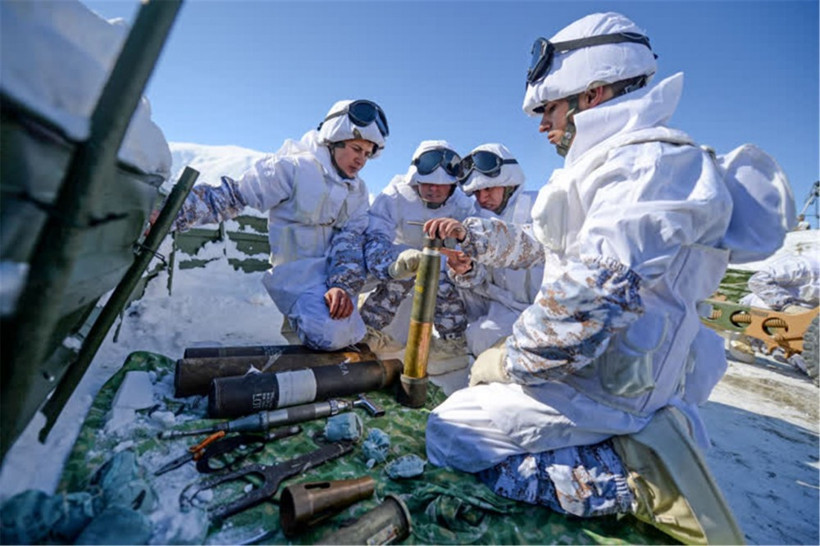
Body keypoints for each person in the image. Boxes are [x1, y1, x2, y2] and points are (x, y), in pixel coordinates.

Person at [419, 12, 793, 543]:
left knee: (450, 435)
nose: (542, 124)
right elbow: (545, 250)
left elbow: (588, 299)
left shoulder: (648, 167)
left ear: (590, 95)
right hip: (595, 375)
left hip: (606, 391)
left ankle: (633, 480)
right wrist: (476, 241)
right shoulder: (611, 165)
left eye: (547, 108)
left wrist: (509, 361)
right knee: (468, 405)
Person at [170, 99, 388, 351]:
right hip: (299, 275)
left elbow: (350, 241)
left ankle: (362, 332)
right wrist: (173, 213)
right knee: (330, 335)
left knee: (402, 268)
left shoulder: (358, 191)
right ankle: (305, 325)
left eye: (367, 154)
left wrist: (342, 285)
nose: (361, 160)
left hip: (335, 275)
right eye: (355, 148)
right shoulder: (292, 169)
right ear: (334, 140)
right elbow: (232, 196)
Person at [361, 140, 475, 370]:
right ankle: (370, 332)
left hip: (442, 268)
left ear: (453, 186)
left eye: (441, 185)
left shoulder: (464, 205)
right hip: (398, 267)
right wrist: (392, 264)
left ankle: (452, 342)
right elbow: (374, 236)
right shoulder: (394, 196)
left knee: (443, 273)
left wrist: (460, 261)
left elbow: (473, 244)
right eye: (428, 183)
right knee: (392, 336)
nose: (434, 190)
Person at [440, 143, 544, 358]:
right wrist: (466, 270)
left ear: (509, 184)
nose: (482, 197)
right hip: (500, 309)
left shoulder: (541, 206)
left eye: (489, 189)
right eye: (477, 192)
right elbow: (480, 281)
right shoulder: (473, 219)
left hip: (543, 309)